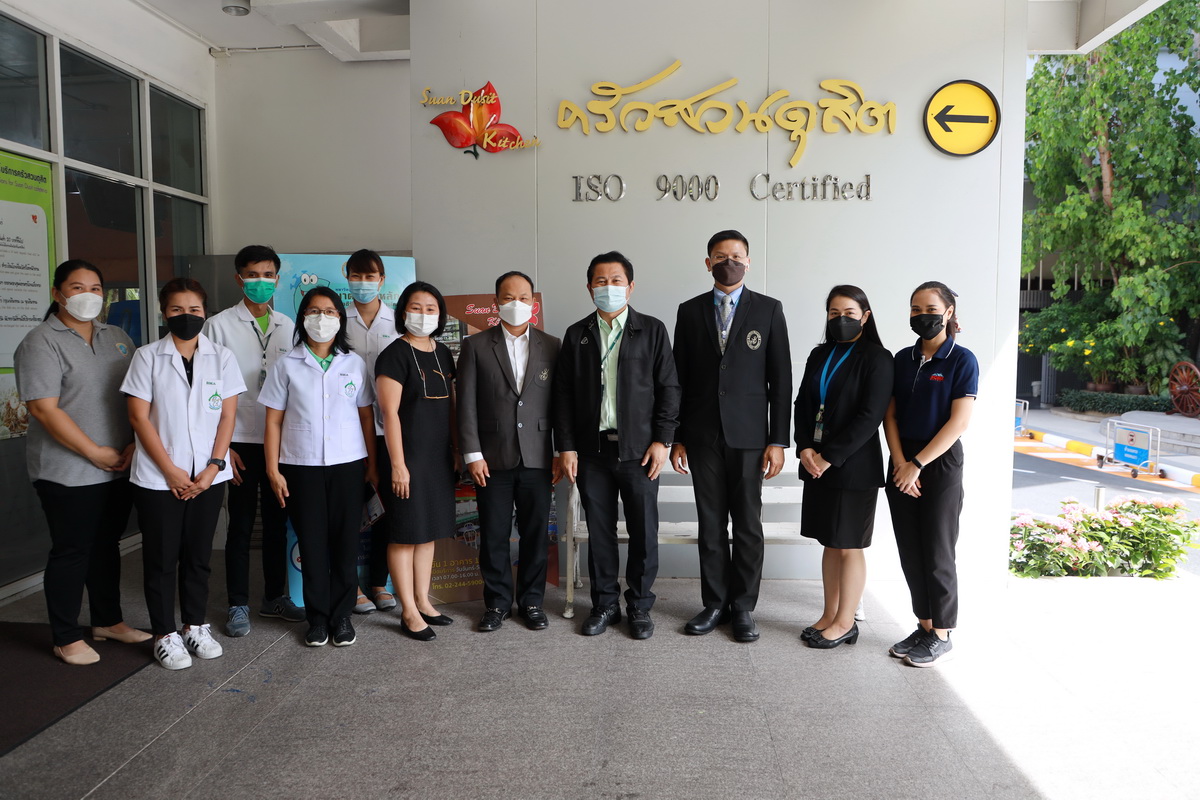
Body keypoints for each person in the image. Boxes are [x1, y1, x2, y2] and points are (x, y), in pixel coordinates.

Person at [14, 260, 149, 666]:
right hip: (67, 471)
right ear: (57, 293)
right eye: (77, 287)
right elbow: (43, 409)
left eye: (95, 288)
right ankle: (66, 636)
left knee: (107, 545)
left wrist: (132, 444)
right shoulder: (41, 342)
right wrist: (94, 452)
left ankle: (108, 621)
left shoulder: (117, 337)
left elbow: (137, 395)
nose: (88, 296)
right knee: (72, 550)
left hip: (118, 463)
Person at [671, 230, 791, 643]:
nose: (729, 263)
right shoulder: (689, 311)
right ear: (708, 263)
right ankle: (714, 603)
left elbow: (781, 379)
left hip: (751, 436)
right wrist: (678, 436)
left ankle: (743, 607)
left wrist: (778, 440)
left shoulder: (769, 310)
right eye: (721, 257)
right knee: (710, 523)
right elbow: (679, 378)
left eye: (737, 256)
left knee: (747, 525)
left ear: (749, 262)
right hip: (702, 435)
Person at [554, 252, 680, 640]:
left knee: (643, 532)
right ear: (589, 287)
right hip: (592, 452)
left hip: (640, 452)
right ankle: (605, 604)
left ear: (631, 286)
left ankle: (639, 605)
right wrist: (566, 446)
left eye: (616, 280)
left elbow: (669, 388)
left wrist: (663, 440)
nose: (608, 287)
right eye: (600, 281)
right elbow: (563, 395)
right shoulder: (577, 334)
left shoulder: (652, 330)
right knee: (600, 532)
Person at [122, 278, 244, 670]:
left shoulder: (221, 357)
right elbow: (139, 418)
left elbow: (227, 416)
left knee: (198, 556)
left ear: (204, 313)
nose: (186, 316)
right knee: (161, 558)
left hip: (208, 477)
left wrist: (214, 466)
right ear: (164, 313)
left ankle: (194, 625)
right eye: (177, 309)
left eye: (194, 309)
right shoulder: (147, 357)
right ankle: (164, 633)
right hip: (159, 479)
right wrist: (171, 471)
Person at [260, 287, 377, 648]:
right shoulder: (286, 365)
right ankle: (318, 620)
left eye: (329, 311)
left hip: (347, 465)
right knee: (311, 544)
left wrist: (372, 465)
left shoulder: (353, 364)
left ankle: (342, 617)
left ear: (340, 319)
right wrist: (273, 470)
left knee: (345, 544)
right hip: (301, 466)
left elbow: (366, 417)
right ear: (302, 318)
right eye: (313, 311)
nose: (321, 318)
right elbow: (273, 421)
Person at [201, 244, 303, 638]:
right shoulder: (218, 326)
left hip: (280, 441)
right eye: (253, 275)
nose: (261, 281)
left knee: (277, 521)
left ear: (277, 278)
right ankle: (238, 603)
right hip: (238, 441)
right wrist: (222, 447)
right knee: (241, 525)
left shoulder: (288, 324)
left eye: (268, 275)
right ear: (238, 278)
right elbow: (207, 390)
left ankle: (274, 597)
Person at [457, 271, 561, 632]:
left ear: (532, 302)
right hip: (491, 458)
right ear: (496, 302)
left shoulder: (552, 345)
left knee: (536, 534)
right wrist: (472, 454)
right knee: (494, 535)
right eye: (508, 297)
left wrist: (560, 451)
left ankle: (532, 602)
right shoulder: (475, 345)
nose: (516, 303)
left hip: (539, 456)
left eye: (523, 297)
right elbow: (465, 403)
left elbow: (561, 403)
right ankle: (498, 603)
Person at [883, 281, 977, 667]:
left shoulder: (962, 359)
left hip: (938, 463)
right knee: (910, 549)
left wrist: (917, 464)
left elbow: (959, 423)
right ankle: (924, 625)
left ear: (948, 313)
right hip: (901, 461)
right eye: (915, 309)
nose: (922, 316)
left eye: (931, 309)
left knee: (938, 550)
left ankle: (942, 633)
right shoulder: (901, 359)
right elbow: (889, 415)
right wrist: (900, 462)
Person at [793, 285, 893, 649]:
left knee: (849, 545)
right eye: (834, 313)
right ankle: (829, 615)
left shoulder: (878, 358)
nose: (841, 319)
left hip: (853, 467)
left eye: (849, 313)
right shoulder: (820, 354)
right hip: (817, 462)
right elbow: (803, 403)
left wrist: (828, 457)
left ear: (865, 316)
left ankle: (846, 622)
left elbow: (870, 417)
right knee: (830, 542)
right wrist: (805, 447)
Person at [375, 281, 458, 642]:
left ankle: (423, 600)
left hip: (438, 458)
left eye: (430, 308)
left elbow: (451, 406)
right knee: (405, 533)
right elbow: (389, 414)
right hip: (406, 458)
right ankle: (407, 610)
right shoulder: (394, 354)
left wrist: (456, 450)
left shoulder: (443, 353)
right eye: (416, 307)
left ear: (440, 315)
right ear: (403, 312)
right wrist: (398, 464)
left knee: (428, 532)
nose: (423, 315)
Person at [342, 249, 399, 614]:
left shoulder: (398, 321)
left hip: (386, 429)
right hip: (343, 432)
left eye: (370, 276)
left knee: (386, 511)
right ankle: (351, 588)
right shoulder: (336, 319)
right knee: (347, 511)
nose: (363, 283)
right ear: (346, 277)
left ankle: (378, 582)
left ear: (382, 280)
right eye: (357, 276)